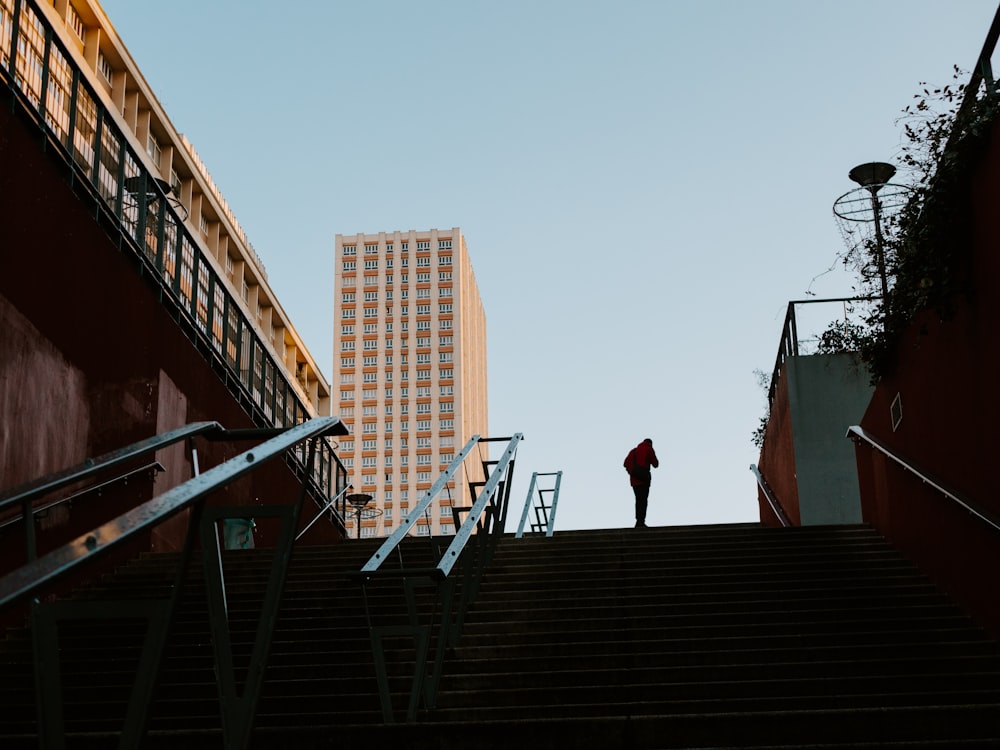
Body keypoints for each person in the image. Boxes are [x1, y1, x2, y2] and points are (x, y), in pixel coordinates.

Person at [624, 438, 659, 528]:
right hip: (644, 479)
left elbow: (625, 463)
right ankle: (640, 521)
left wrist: (632, 472)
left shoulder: (633, 451)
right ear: (650, 443)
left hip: (634, 480)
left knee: (638, 500)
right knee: (643, 500)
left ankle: (638, 521)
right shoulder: (648, 448)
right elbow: (655, 464)